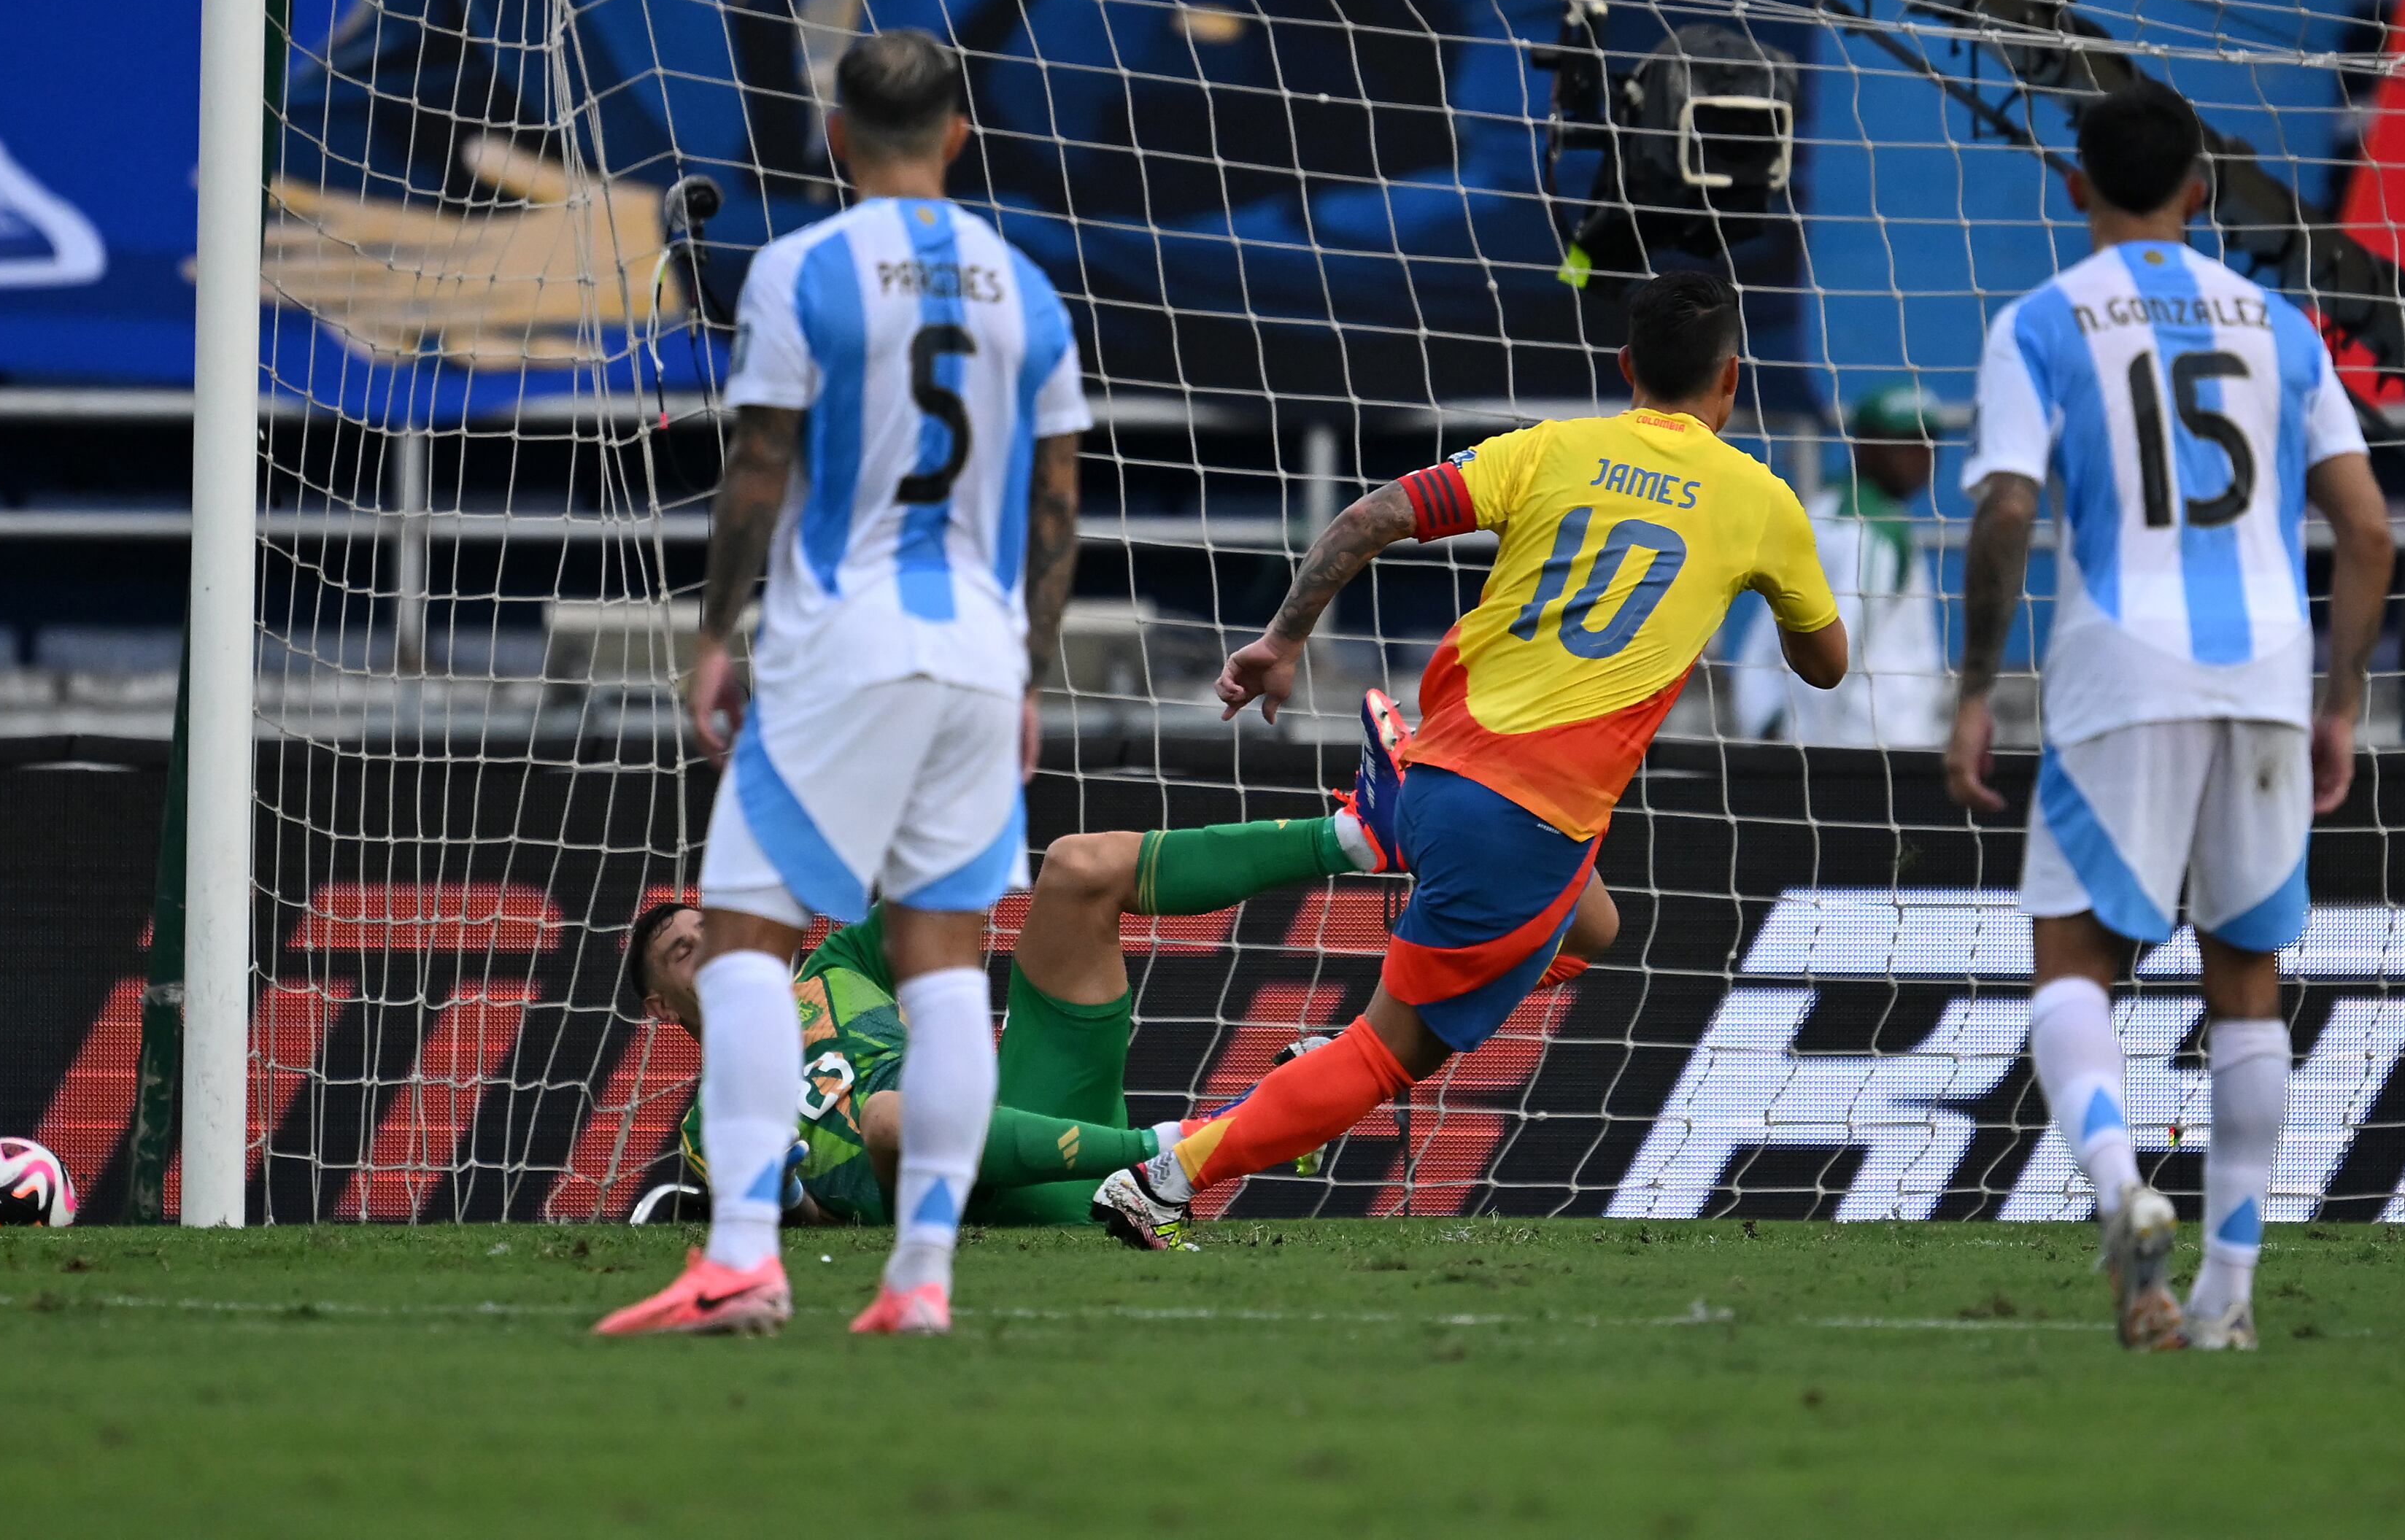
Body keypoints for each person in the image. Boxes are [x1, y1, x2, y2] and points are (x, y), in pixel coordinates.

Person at [1092, 269, 1848, 1247]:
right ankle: (1166, 1176)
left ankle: (1384, 817)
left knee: (1596, 923)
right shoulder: (1761, 500)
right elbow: (1824, 666)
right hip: (1524, 814)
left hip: (1451, 766)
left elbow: (1365, 518)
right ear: (1732, 380)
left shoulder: (1547, 449)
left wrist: (1280, 641)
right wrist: (1770, 587)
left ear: (1624, 367)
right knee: (1385, 1058)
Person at [596, 30, 1087, 1338]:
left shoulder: (799, 268)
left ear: (832, 136)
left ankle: (744, 1257)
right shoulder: (1023, 288)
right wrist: (1028, 668)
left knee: (747, 940)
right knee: (939, 977)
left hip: (841, 642)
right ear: (959, 136)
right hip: (979, 658)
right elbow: (1055, 503)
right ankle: (919, 1279)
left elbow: (760, 464)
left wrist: (713, 635)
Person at [1945, 80, 2394, 1351]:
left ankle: (2116, 1192)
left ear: (2073, 185)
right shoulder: (2278, 326)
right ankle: (2223, 1297)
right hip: (2262, 668)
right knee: (2244, 983)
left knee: (2069, 966)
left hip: (2116, 671)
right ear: (2198, 191)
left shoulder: (2037, 324)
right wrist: (2339, 699)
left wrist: (1974, 687)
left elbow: (2004, 514)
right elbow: (2364, 528)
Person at [623, 790, 1609, 1232]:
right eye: (682, 950)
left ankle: (1353, 832)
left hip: (1017, 1103)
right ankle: (1196, 1144)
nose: (708, 944)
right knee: (892, 1117)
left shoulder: (834, 962)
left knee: (1079, 866)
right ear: (671, 1011)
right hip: (936, 1189)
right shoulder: (710, 1115)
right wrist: (789, 1195)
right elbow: (791, 1217)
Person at [1731, 384, 1947, 747]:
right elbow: (1835, 655)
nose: (1921, 456)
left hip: (1812, 742)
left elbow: (1761, 644)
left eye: (1929, 444)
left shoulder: (1819, 508)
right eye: (1906, 443)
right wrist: (1809, 754)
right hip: (1868, 751)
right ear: (1865, 446)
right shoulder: (1873, 531)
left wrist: (1767, 724)